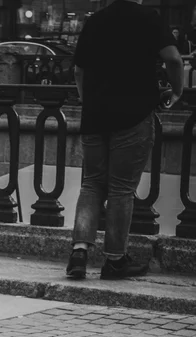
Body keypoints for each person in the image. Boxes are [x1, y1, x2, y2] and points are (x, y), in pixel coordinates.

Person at [65, 0, 184, 282]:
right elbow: (174, 59)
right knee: (120, 189)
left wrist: (88, 101)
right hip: (133, 115)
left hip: (95, 117)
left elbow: (78, 71)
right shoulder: (148, 18)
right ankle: (115, 261)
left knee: (92, 183)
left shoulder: (95, 21)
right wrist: (177, 91)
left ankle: (79, 252)